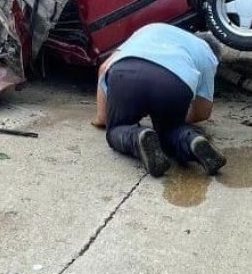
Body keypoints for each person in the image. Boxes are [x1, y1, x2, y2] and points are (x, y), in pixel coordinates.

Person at [93, 23, 226, 177]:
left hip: (126, 72)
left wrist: (101, 118)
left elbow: (104, 68)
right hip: (173, 82)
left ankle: (138, 137)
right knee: (171, 133)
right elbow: (202, 112)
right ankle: (192, 141)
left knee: (117, 129)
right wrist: (169, 117)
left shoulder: (151, 28)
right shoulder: (208, 55)